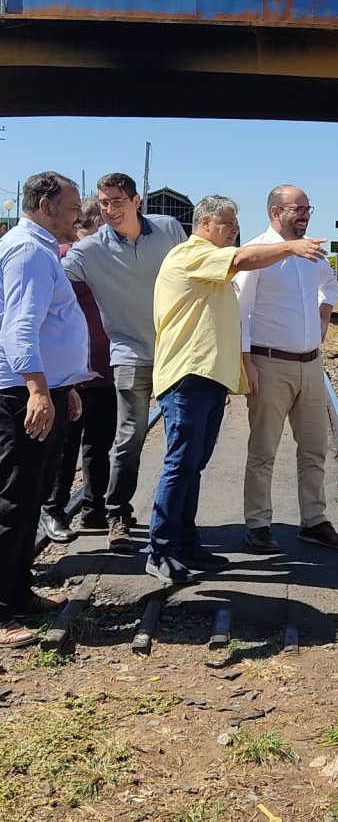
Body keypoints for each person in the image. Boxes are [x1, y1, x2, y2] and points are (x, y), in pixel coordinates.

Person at [147, 195, 327, 584]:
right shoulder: (189, 254)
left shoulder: (211, 267)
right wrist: (290, 247)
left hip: (210, 378)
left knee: (193, 465)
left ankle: (186, 543)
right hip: (187, 377)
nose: (233, 233)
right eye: (228, 225)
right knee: (180, 464)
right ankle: (160, 548)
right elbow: (244, 260)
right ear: (206, 224)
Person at [63, 173, 187, 552]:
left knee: (183, 437)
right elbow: (50, 284)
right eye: (103, 203)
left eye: (117, 201)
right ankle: (117, 513)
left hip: (176, 351)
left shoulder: (169, 229)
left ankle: (178, 518)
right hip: (129, 352)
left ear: (136, 202)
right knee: (129, 436)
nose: (110, 209)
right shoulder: (88, 252)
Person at [234, 185, 338, 554]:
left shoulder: (314, 254)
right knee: (264, 450)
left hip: (310, 365)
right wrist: (246, 363)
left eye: (307, 209)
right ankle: (257, 525)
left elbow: (328, 287)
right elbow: (240, 312)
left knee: (314, 448)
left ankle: (314, 521)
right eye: (297, 208)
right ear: (274, 211)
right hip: (269, 365)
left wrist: (323, 320)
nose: (304, 214)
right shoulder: (256, 254)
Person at [0, 172, 89, 647]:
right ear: (46, 204)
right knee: (12, 500)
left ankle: (16, 592)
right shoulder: (31, 251)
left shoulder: (37, 247)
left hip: (38, 386)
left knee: (28, 496)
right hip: (19, 393)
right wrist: (38, 390)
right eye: (73, 206)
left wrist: (62, 386)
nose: (79, 214)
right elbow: (19, 328)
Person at [41, 195, 118, 540]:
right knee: (65, 446)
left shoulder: (109, 262)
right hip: (74, 372)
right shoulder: (62, 259)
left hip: (105, 368)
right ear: (86, 227)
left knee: (99, 445)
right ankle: (53, 510)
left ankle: (93, 509)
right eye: (100, 227)